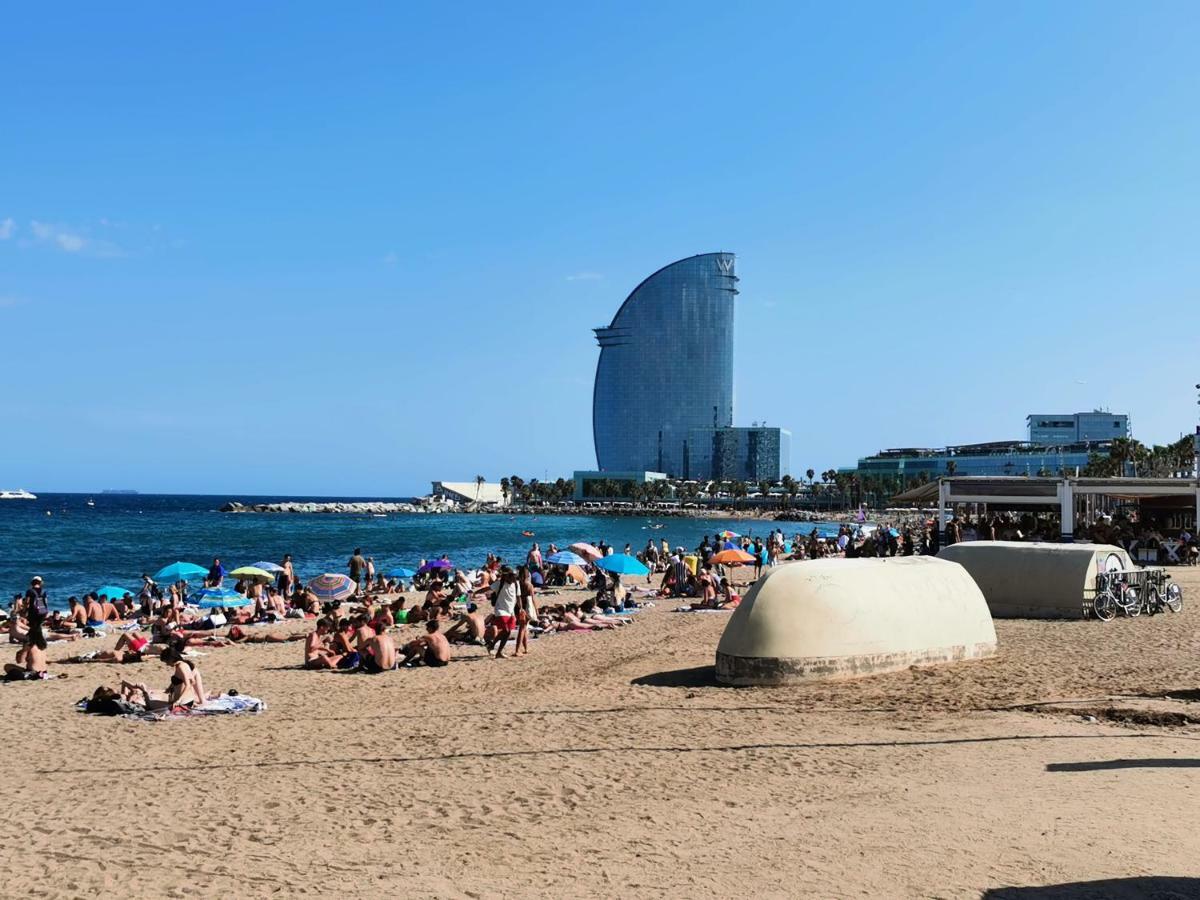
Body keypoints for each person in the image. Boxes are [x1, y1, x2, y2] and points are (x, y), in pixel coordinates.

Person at [120, 647, 207, 710]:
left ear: (170, 659)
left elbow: (188, 684)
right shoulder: (183, 664)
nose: (167, 664)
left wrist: (178, 701)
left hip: (182, 703)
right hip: (186, 701)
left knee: (149, 704)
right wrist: (170, 688)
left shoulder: (180, 667)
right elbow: (192, 681)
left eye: (166, 661)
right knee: (152, 702)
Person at [487, 566, 520, 659]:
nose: (515, 578)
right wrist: (475, 592)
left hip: (511, 612)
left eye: (515, 576)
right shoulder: (499, 583)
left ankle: (494, 648)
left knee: (507, 633)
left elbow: (518, 597)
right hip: (500, 610)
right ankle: (496, 649)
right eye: (513, 576)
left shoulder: (516, 584)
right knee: (506, 631)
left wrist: (521, 609)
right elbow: (488, 588)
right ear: (507, 577)